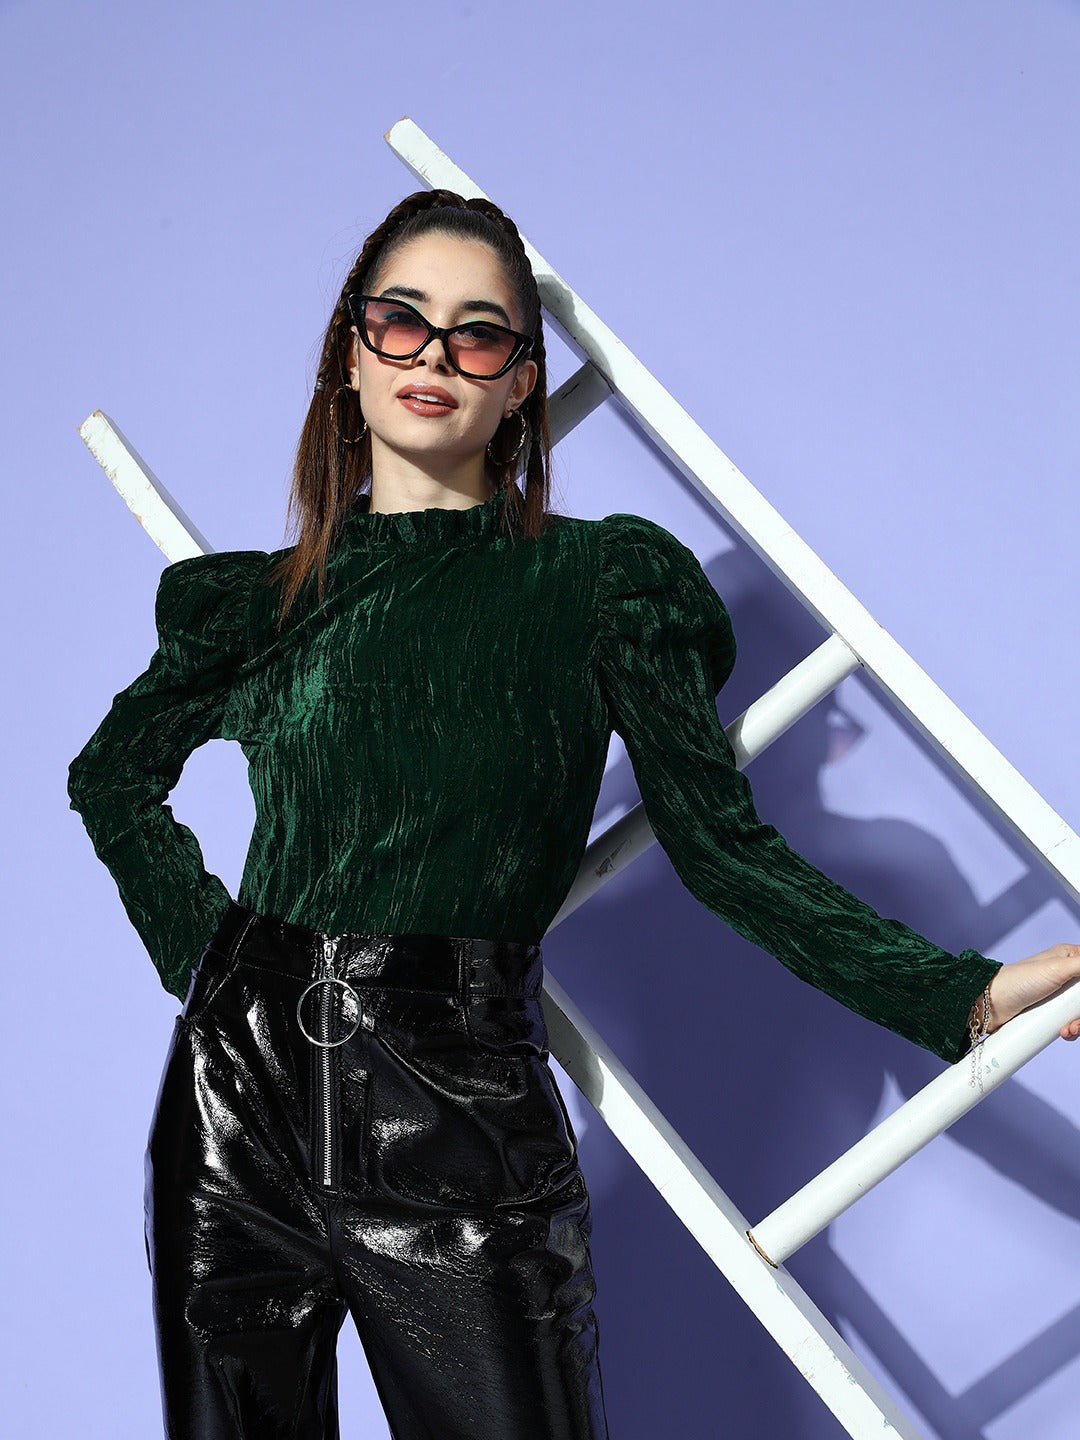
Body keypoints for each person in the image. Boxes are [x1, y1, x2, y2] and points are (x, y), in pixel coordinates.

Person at [67, 188, 1080, 1440]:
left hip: (460, 1115)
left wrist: (966, 993)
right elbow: (111, 777)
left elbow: (723, 852)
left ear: (521, 385)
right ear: (351, 355)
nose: (436, 356)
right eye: (402, 320)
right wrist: (215, 965)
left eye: (479, 333)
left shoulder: (598, 585)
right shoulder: (257, 604)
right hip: (235, 1115)